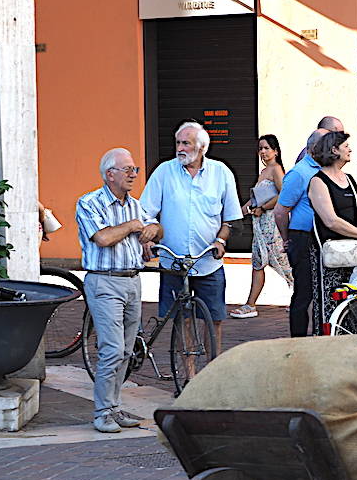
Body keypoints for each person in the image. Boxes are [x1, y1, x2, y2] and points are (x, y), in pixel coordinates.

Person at [75, 148, 161, 433]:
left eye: (134, 170)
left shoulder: (135, 205)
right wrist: (134, 227)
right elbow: (102, 237)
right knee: (111, 349)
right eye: (128, 170)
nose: (134, 175)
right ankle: (102, 413)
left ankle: (114, 407)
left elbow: (153, 226)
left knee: (126, 350)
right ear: (109, 174)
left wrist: (152, 232)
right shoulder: (89, 203)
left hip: (132, 280)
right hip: (104, 281)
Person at [140, 121, 242, 353]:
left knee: (214, 319)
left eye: (186, 143)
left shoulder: (221, 172)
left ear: (202, 147)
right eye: (178, 143)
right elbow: (145, 211)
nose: (180, 148)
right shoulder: (164, 171)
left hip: (208, 262)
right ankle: (188, 376)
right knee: (181, 320)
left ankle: (211, 372)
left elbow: (232, 217)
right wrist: (147, 235)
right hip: (173, 261)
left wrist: (221, 240)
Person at [308, 131, 357, 334]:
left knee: (355, 305)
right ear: (334, 150)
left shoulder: (351, 180)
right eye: (346, 146)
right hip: (329, 256)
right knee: (329, 305)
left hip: (354, 254)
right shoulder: (318, 181)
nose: (350, 149)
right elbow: (331, 220)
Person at [274, 128, 331, 336]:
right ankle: (298, 341)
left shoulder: (323, 170)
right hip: (303, 238)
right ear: (314, 148)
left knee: (320, 294)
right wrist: (287, 239)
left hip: (320, 239)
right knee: (304, 293)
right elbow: (280, 212)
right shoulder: (299, 173)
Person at [229, 135, 293, 319]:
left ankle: (304, 295)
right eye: (260, 149)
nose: (263, 152)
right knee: (258, 262)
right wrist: (241, 210)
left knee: (282, 262)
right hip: (260, 225)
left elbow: (283, 195)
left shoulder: (276, 170)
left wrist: (262, 208)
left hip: (271, 225)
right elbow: (258, 198)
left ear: (276, 151)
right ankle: (250, 304)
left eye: (266, 148)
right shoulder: (264, 171)